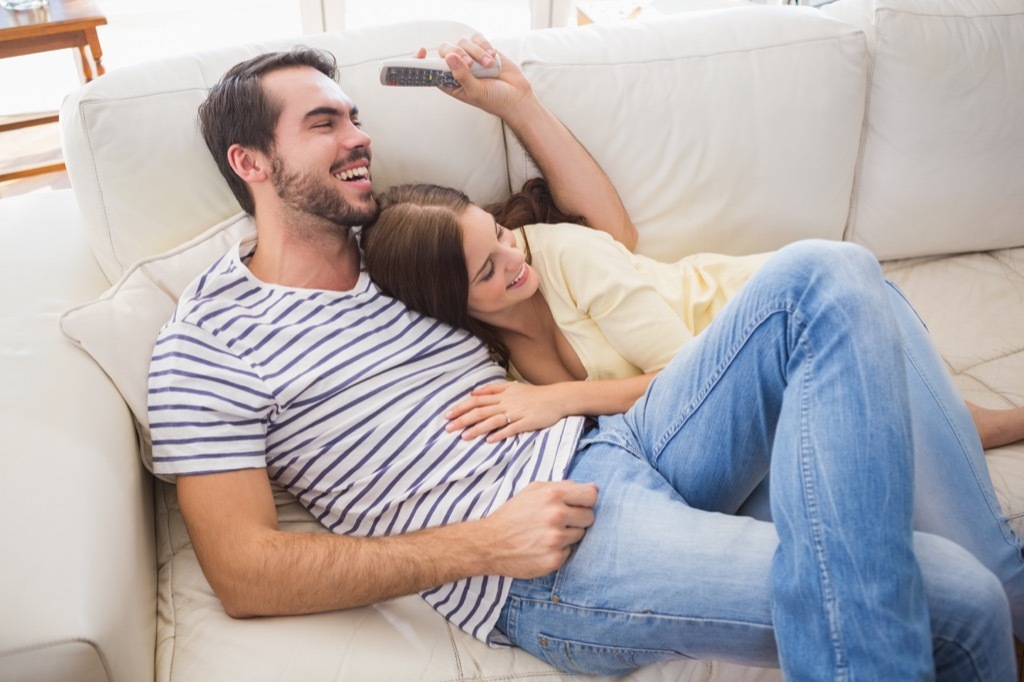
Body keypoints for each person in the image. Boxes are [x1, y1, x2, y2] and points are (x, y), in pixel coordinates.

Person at [147, 39, 1017, 680]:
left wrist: (516, 105)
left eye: (356, 117)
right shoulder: (207, 344)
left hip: (627, 444)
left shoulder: (396, 251)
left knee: (828, 273)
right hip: (550, 560)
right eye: (324, 123)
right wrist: (485, 541)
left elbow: (598, 243)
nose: (357, 136)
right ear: (250, 161)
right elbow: (245, 573)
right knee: (963, 601)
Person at [363, 180, 1024, 450]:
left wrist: (562, 398)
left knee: (946, 437)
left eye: (499, 234)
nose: (513, 257)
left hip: (782, 311)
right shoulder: (480, 350)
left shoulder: (566, 254)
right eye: (488, 270)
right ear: (455, 305)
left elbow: (689, 377)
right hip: (746, 391)